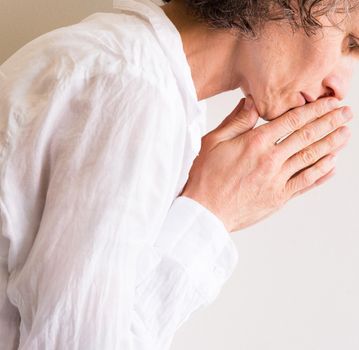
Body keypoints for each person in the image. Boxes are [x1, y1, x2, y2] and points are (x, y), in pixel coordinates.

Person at [0, 0, 356, 349]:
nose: (341, 88)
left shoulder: (141, 78)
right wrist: (211, 213)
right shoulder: (133, 87)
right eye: (350, 42)